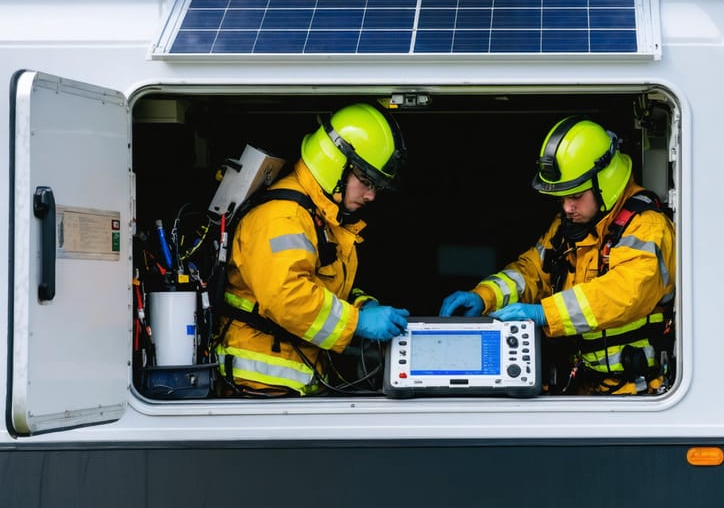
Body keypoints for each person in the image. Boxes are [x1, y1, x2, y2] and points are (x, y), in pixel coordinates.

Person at [440, 115, 675, 395]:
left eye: (575, 196)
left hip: (637, 395)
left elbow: (624, 293)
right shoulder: (570, 226)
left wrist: (544, 313)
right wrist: (484, 296)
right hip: (585, 388)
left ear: (606, 181)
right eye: (562, 198)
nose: (566, 208)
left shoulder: (646, 227)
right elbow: (532, 272)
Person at [216, 103, 409, 396]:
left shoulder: (319, 216)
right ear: (336, 162)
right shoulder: (283, 218)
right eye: (367, 181)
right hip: (258, 391)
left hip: (287, 390)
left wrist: (361, 306)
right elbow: (288, 296)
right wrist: (356, 322)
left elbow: (320, 287)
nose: (371, 195)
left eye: (376, 187)